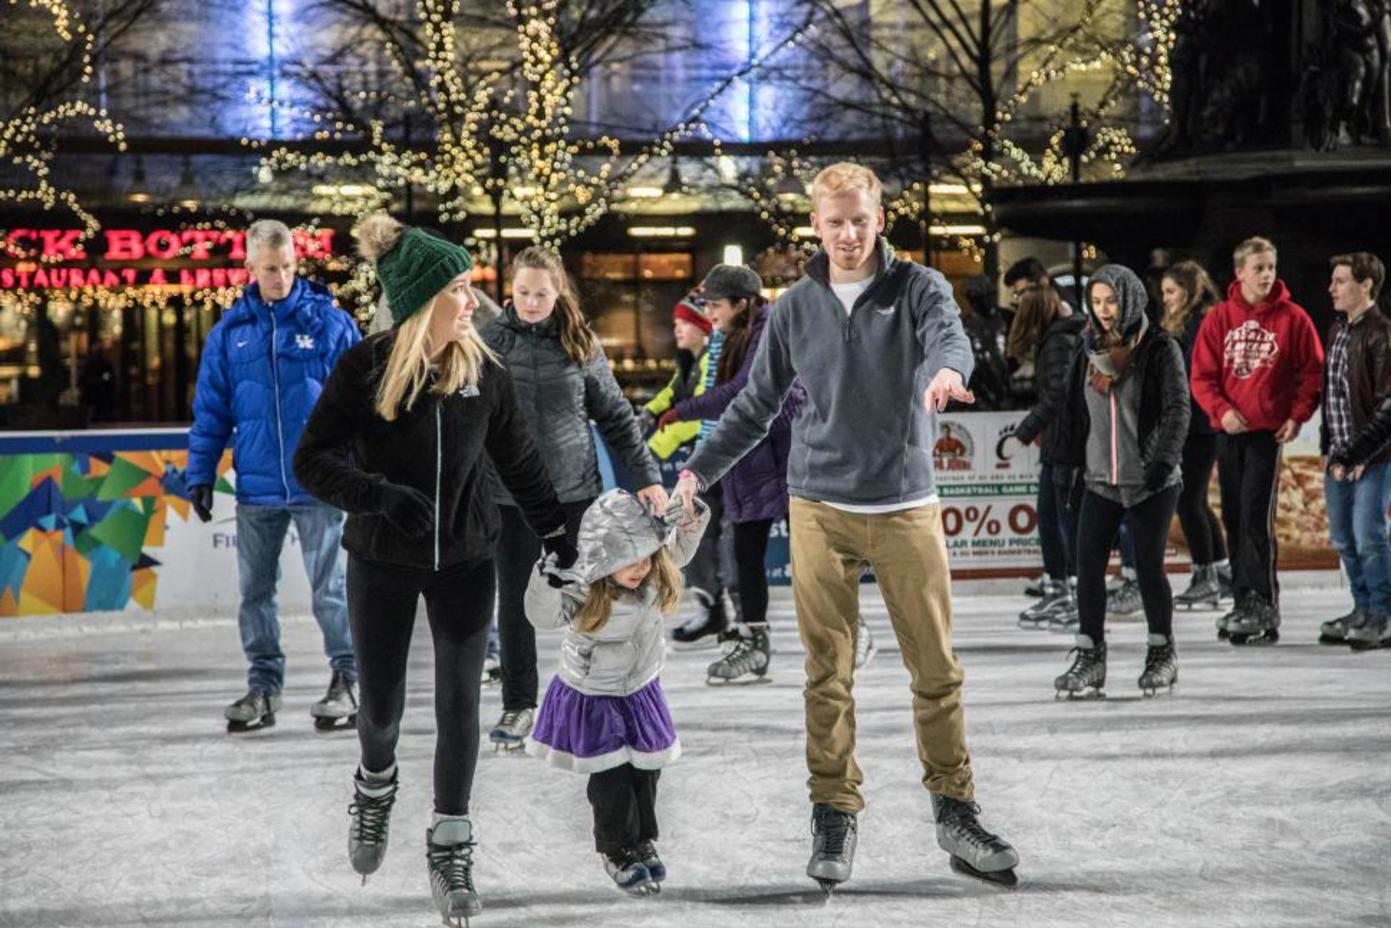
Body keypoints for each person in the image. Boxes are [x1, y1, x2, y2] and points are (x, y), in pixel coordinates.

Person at [670, 162, 1018, 893]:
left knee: (935, 671)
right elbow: (754, 403)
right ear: (816, 227)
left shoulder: (918, 287)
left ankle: (955, 809)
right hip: (818, 507)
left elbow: (947, 340)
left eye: (860, 220)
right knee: (826, 674)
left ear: (880, 217)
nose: (849, 234)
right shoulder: (795, 306)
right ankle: (833, 808)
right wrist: (699, 469)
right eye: (835, 223)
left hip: (902, 503)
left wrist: (946, 374)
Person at [292, 213, 574, 924]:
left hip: (468, 560)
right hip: (381, 561)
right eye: (457, 286)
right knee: (380, 710)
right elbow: (312, 461)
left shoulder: (486, 370)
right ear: (422, 300)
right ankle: (375, 783)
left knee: (459, 706)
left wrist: (559, 538)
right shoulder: (364, 367)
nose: (472, 300)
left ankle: (451, 841)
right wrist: (378, 496)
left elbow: (522, 463)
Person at [481, 247, 664, 750]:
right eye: (522, 293)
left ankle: (596, 693)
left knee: (590, 598)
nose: (532, 302)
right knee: (518, 601)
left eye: (541, 293)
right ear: (509, 292)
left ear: (558, 291)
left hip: (575, 494)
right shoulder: (490, 341)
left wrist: (646, 475)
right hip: (510, 497)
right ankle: (520, 703)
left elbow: (616, 416)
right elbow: (471, 420)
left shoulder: (579, 343)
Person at [186, 218, 361, 733]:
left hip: (320, 483)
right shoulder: (230, 335)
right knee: (254, 593)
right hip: (258, 487)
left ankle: (348, 677)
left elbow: (361, 401)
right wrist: (200, 473)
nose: (280, 277)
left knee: (330, 590)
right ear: (249, 266)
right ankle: (264, 685)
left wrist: (361, 467)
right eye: (269, 269)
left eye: (287, 267)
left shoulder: (329, 323)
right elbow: (211, 410)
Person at [525, 489, 709, 896]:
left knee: (645, 771)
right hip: (593, 695)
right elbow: (540, 615)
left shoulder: (653, 574)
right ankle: (615, 848)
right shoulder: (580, 589)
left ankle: (642, 839)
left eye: (645, 556)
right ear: (603, 557)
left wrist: (690, 520)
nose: (640, 567)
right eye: (629, 559)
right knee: (611, 777)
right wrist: (545, 578)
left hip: (640, 691)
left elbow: (680, 547)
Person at [657, 263, 825, 684]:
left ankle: (841, 631)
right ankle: (754, 642)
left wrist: (682, 412)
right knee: (746, 551)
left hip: (784, 458)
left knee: (812, 550)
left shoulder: (769, 332)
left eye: (716, 305)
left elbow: (745, 394)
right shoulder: (731, 336)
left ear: (742, 303)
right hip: (749, 460)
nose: (709, 313)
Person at [1051, 264, 1190, 698]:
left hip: (1151, 479)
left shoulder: (1159, 348)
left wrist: (1160, 463)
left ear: (1128, 299)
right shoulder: (1087, 346)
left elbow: (1177, 409)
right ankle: (1090, 654)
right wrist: (1064, 463)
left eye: (1111, 300)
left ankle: (1161, 651)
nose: (1104, 310)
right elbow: (1073, 410)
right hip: (1099, 479)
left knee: (1148, 566)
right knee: (1088, 565)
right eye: (1096, 301)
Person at [1190, 237, 1325, 644]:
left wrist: (1298, 414)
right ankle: (1243, 597)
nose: (1267, 274)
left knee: (1253, 516)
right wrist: (1221, 411)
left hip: (1266, 433)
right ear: (1240, 273)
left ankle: (1263, 600)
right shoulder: (1219, 319)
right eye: (1259, 268)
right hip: (1230, 433)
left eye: (1271, 266)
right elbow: (1202, 376)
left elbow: (1312, 373)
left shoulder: (1293, 318)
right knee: (1233, 514)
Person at [641, 294, 734, 644]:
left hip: (719, 463)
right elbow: (671, 393)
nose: (677, 330)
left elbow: (701, 411)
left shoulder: (714, 360)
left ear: (701, 327)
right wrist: (649, 413)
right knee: (693, 535)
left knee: (718, 538)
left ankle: (732, 617)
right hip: (701, 466)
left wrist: (655, 442)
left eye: (683, 324)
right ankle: (713, 608)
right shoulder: (690, 362)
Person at [1319, 252, 1391, 650]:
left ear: (1366, 285)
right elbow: (1332, 395)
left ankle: (1383, 612)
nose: (1332, 288)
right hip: (1341, 455)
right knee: (1344, 537)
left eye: (1341, 280)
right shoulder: (1338, 330)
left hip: (1374, 456)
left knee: (1369, 536)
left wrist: (1359, 453)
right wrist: (1329, 446)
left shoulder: (1383, 333)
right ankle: (1362, 607)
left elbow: (1386, 406)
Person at [1008, 285, 1086, 630]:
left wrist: (1026, 429)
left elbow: (1057, 395)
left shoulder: (1058, 340)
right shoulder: (1061, 336)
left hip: (1066, 443)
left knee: (1060, 517)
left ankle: (1068, 591)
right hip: (1060, 442)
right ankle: (1060, 586)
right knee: (1050, 514)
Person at [1160, 261, 1233, 610]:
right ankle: (1221, 571)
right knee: (1196, 500)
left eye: (1171, 292)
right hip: (1193, 422)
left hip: (1199, 424)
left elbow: (1191, 372)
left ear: (1188, 291)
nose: (1166, 299)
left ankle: (1206, 576)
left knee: (1188, 501)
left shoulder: (1202, 322)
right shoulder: (1187, 321)